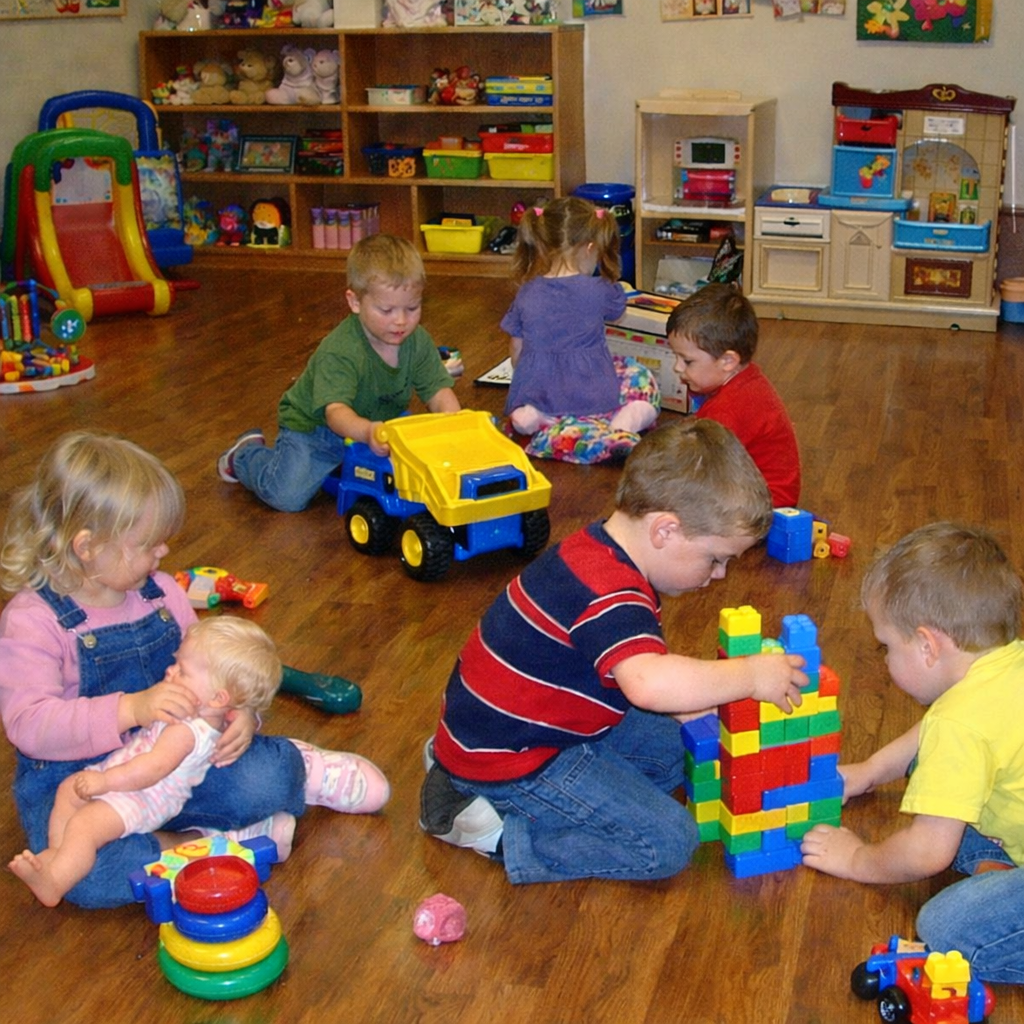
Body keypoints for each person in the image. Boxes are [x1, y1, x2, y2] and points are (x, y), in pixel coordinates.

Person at [0, 431, 390, 909]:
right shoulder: (33, 620)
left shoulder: (161, 593)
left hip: (180, 764)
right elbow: (30, 724)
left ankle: (302, 768)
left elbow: (218, 672)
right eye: (148, 544)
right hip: (83, 782)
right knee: (85, 876)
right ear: (87, 546)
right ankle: (216, 842)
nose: (163, 553)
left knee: (262, 777)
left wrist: (240, 716)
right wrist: (131, 709)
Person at [419, 418, 808, 884]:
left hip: (524, 727)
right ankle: (494, 829)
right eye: (715, 558)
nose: (719, 573)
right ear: (665, 530)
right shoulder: (612, 593)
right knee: (668, 841)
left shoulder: (600, 551)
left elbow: (629, 673)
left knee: (677, 751)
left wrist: (691, 702)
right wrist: (750, 675)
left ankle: (466, 774)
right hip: (516, 759)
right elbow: (647, 683)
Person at [801, 522, 1024, 984]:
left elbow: (926, 854)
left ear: (927, 645)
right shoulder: (1006, 664)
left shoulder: (959, 721)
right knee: (935, 770)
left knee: (945, 927)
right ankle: (1000, 872)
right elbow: (932, 734)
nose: (883, 659)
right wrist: (868, 771)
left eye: (885, 646)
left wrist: (857, 859)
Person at [9, 616, 287, 907]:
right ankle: (59, 858)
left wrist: (104, 781)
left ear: (218, 699)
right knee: (68, 790)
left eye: (182, 671)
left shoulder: (185, 732)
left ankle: (56, 882)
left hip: (144, 795)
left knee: (84, 825)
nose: (170, 670)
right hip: (124, 775)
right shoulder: (199, 708)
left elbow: (151, 769)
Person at [217, 233, 460, 512]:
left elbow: (438, 392)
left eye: (412, 308)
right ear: (355, 302)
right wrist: (367, 431)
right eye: (386, 310)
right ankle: (245, 455)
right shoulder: (341, 349)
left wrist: (456, 424)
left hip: (375, 427)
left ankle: (341, 467)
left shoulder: (417, 341)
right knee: (287, 496)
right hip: (316, 431)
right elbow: (335, 413)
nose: (401, 320)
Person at [501, 197, 660, 460]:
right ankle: (620, 427)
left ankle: (535, 419)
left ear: (542, 245)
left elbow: (516, 348)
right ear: (589, 248)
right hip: (592, 393)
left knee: (530, 407)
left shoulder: (526, 292)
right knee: (639, 376)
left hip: (538, 392)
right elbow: (617, 313)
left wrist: (527, 375)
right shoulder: (599, 289)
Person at [666, 283, 800, 508]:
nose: (677, 367)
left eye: (687, 361)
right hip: (755, 494)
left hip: (761, 507)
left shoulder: (729, 409)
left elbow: (697, 468)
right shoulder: (745, 379)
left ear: (728, 361)